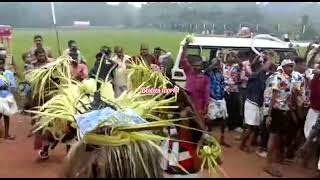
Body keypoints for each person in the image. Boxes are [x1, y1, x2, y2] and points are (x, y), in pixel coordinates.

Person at [263, 59, 299, 177]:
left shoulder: (290, 79)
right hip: (276, 111)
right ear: (283, 67)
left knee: (279, 137)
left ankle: (276, 160)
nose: (291, 68)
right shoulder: (278, 78)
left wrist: (291, 111)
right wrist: (269, 115)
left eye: (292, 66)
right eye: (288, 66)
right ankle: (268, 165)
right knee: (273, 138)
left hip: (285, 111)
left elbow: (288, 97)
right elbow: (273, 97)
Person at [240, 51, 273, 153]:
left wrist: (267, 58)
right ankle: (244, 145)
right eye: (264, 63)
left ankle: (246, 145)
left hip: (256, 103)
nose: (266, 65)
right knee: (251, 127)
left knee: (254, 128)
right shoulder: (256, 75)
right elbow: (265, 66)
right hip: (252, 103)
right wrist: (268, 58)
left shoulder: (263, 75)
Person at [205, 56, 231, 147]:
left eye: (217, 63)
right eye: (215, 63)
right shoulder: (209, 72)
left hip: (220, 98)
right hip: (212, 98)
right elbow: (206, 71)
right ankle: (210, 139)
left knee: (224, 118)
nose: (217, 64)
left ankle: (222, 138)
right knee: (210, 120)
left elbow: (222, 83)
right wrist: (213, 64)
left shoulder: (220, 72)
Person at [222, 50, 243, 133]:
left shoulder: (236, 66)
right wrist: (225, 54)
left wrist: (236, 56)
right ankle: (229, 125)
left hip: (235, 89)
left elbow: (241, 65)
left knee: (236, 108)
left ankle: (235, 125)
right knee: (228, 108)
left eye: (232, 57)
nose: (231, 58)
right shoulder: (224, 66)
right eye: (229, 57)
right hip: (226, 89)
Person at [0, 53, 17, 141]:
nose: (0, 65)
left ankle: (6, 134)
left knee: (7, 116)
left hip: (6, 96)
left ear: (4, 63)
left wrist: (8, 87)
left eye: (1, 63)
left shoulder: (9, 73)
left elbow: (14, 86)